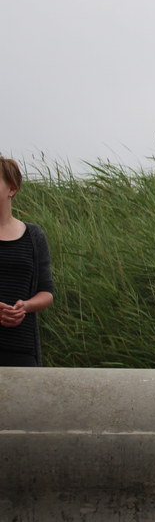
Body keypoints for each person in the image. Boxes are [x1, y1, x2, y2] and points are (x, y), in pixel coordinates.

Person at [0, 157, 55, 367]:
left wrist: (25, 306)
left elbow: (46, 292)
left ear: (12, 189)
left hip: (21, 350)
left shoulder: (33, 235)